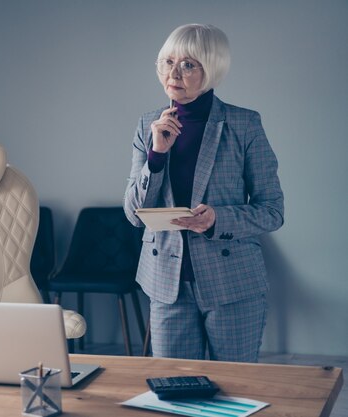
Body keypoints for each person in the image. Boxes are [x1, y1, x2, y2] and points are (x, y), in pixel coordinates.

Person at [123, 24, 284, 362]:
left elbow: (272, 210)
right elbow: (134, 213)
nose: (174, 73)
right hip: (167, 284)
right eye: (167, 62)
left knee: (236, 390)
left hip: (233, 283)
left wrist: (217, 220)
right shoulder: (147, 125)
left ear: (211, 70)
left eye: (188, 64)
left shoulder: (244, 124)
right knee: (174, 392)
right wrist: (156, 156)